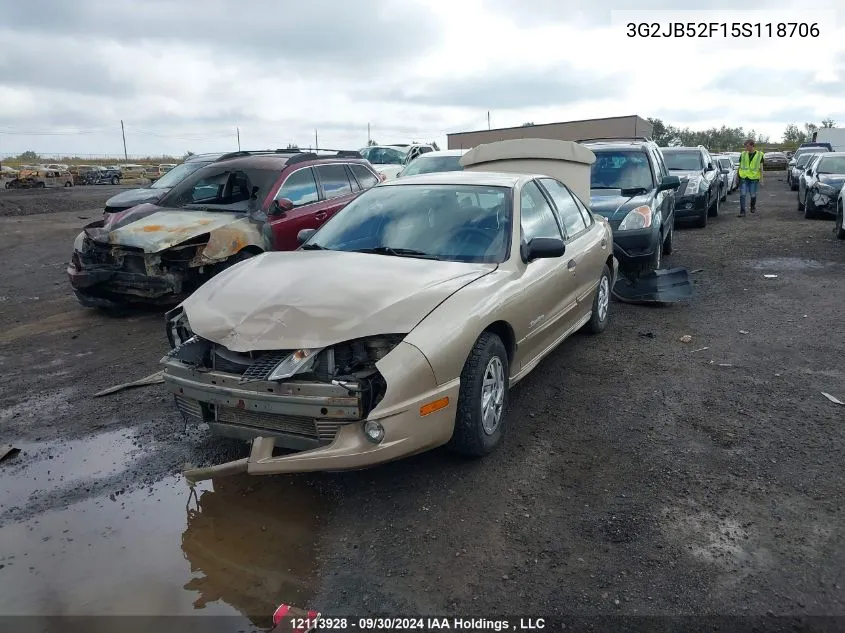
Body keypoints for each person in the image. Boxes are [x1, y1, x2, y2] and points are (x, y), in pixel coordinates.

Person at [737, 139, 764, 217]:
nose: (746, 148)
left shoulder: (759, 155)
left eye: (747, 146)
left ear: (752, 146)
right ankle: (742, 212)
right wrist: (737, 176)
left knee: (753, 194)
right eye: (745, 146)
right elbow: (740, 166)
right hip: (744, 177)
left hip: (754, 178)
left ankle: (752, 206)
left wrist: (762, 179)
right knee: (743, 194)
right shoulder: (743, 154)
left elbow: (761, 168)